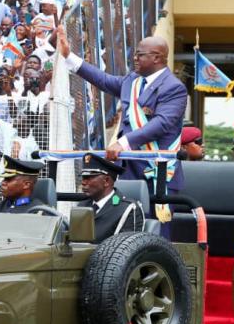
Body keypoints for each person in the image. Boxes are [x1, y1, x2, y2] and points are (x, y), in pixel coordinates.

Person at [56, 24, 187, 234]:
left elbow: (162, 123)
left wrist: (123, 142)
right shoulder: (133, 80)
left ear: (157, 58)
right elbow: (104, 80)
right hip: (127, 169)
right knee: (127, 225)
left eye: (139, 55)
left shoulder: (173, 87)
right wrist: (69, 56)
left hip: (157, 171)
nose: (134, 58)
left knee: (155, 232)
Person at [77, 153, 145, 243]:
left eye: (88, 178)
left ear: (106, 181)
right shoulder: (82, 205)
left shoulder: (127, 208)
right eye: (83, 178)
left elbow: (127, 251)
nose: (83, 182)